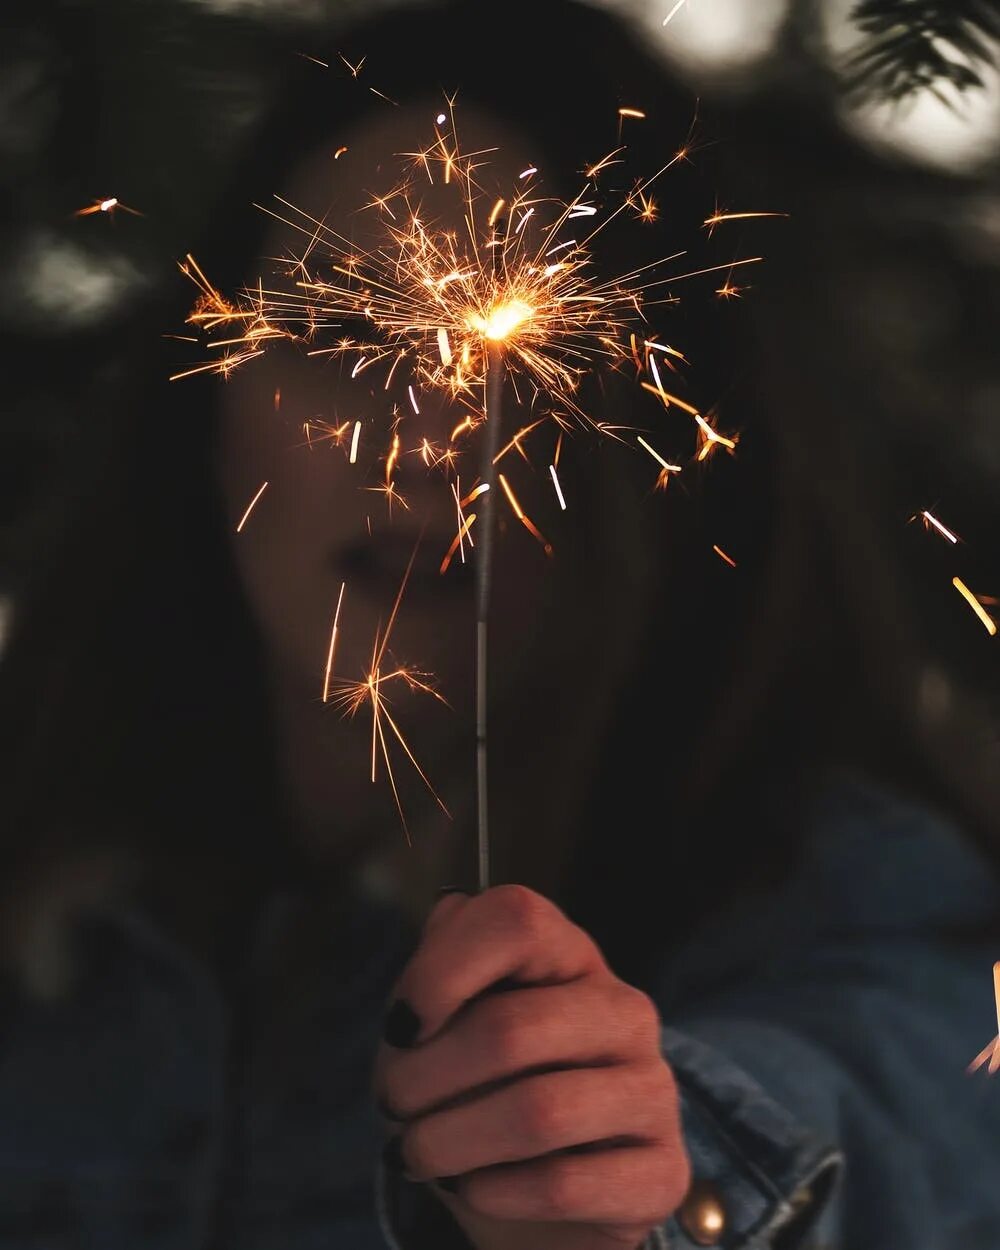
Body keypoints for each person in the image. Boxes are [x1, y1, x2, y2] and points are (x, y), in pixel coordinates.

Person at [0, 2, 999, 1248]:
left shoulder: (860, 901)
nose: (428, 438)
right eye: (338, 330)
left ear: (678, 453)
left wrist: (638, 1171)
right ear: (206, 394)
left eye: (543, 373)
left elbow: (878, 1128)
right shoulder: (57, 886)